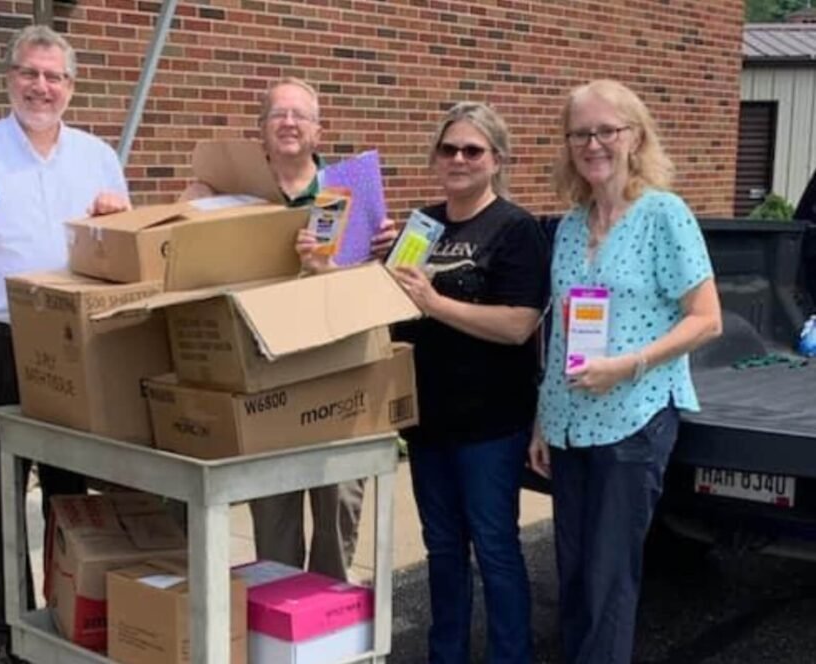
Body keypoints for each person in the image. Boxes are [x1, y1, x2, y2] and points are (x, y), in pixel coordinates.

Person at [0, 25, 129, 664]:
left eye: (55, 77)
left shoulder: (97, 155)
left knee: (71, 495)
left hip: (71, 342)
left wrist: (115, 221)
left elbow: (122, 253)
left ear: (70, 86)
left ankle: (69, 614)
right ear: (9, 78)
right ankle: (3, 633)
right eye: (30, 73)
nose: (41, 87)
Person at [528, 79, 723, 664]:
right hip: (570, 423)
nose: (593, 144)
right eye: (580, 133)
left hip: (634, 420)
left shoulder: (664, 214)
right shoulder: (569, 225)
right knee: (576, 576)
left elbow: (707, 319)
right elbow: (560, 331)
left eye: (606, 130)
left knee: (610, 581)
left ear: (635, 137)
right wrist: (544, 418)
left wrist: (629, 365)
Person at [183, 77, 396, 581]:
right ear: (261, 132)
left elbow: (374, 295)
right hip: (268, 381)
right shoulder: (238, 199)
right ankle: (280, 639)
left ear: (318, 132)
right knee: (274, 528)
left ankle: (328, 636)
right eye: (277, 114)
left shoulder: (352, 193)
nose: (289, 122)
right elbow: (186, 227)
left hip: (339, 379)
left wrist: (377, 256)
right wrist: (195, 194)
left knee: (337, 515)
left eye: (300, 115)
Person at [390, 102, 549, 663]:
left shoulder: (515, 228)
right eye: (449, 148)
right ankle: (445, 654)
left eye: (472, 150)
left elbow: (518, 324)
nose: (458, 158)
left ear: (496, 160)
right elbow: (391, 305)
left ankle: (510, 655)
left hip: (490, 425)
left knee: (496, 548)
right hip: (428, 422)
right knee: (441, 551)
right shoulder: (421, 224)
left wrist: (435, 303)